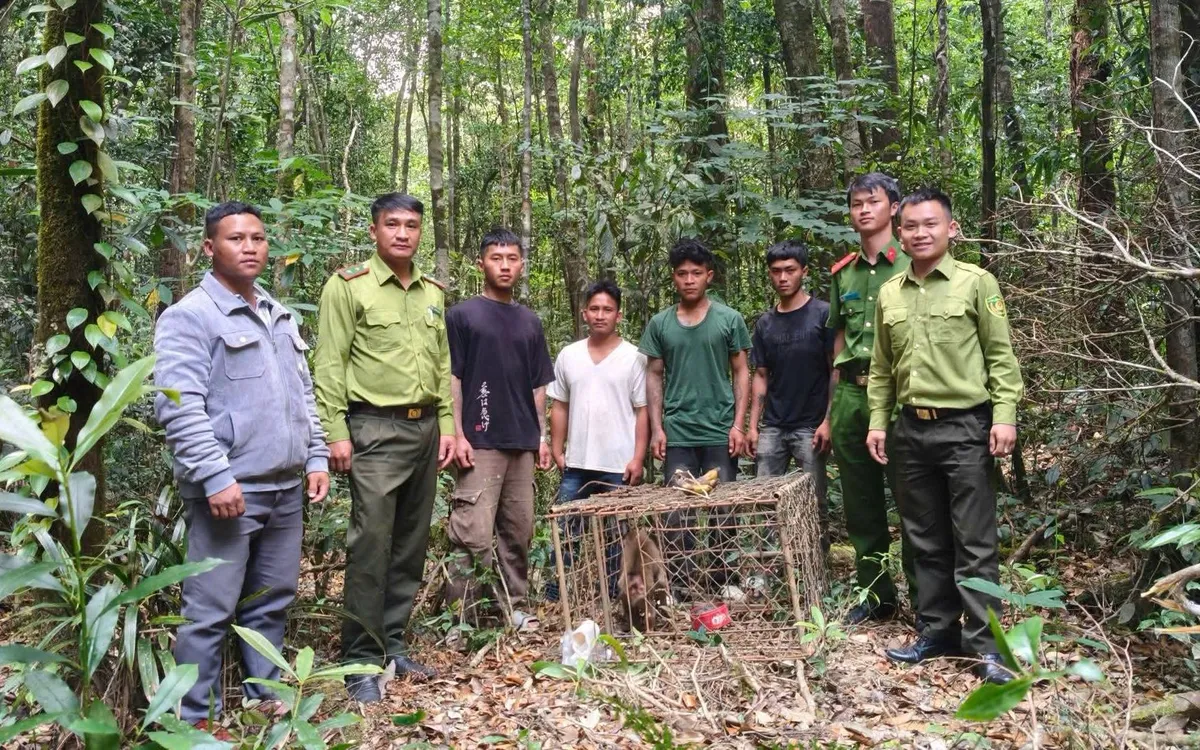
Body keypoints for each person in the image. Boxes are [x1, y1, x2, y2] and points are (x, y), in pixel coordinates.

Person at [155, 202, 330, 731]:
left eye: (257, 237)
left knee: (271, 602)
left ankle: (265, 702)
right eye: (235, 238)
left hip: (284, 488)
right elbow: (177, 404)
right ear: (209, 248)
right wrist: (215, 475)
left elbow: (303, 393)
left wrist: (316, 455)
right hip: (230, 490)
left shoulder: (278, 314)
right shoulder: (190, 316)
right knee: (208, 611)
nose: (249, 246)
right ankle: (192, 720)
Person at [866, 187, 1023, 685]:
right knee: (924, 540)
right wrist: (877, 421)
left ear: (950, 229)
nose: (920, 233)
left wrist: (1005, 415)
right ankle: (936, 632)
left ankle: (987, 648)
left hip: (966, 427)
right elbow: (881, 368)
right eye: (910, 226)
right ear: (900, 231)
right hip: (911, 429)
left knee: (974, 541)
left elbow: (1001, 357)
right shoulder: (890, 292)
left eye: (930, 224)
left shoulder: (977, 283)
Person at [312, 193, 456, 703]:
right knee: (371, 545)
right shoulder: (347, 287)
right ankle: (360, 660)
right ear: (374, 231)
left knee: (409, 543)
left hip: (423, 432)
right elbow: (330, 363)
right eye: (392, 224)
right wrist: (335, 432)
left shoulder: (433, 292)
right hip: (373, 429)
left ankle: (392, 643)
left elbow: (441, 366)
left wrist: (447, 426)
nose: (402, 233)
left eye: (412, 225)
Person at [444, 228, 555, 635]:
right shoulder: (462, 315)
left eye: (511, 258)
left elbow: (538, 385)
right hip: (479, 441)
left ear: (521, 265)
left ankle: (516, 608)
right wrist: (457, 433)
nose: (504, 265)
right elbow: (453, 378)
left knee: (518, 530)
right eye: (496, 258)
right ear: (481, 264)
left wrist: (540, 438)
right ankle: (462, 619)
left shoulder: (529, 321)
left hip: (521, 443)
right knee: (472, 533)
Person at [826, 172, 919, 625]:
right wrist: (832, 411)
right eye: (856, 204)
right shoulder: (844, 273)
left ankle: (926, 600)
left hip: (902, 397)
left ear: (894, 207)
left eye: (873, 202)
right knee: (861, 506)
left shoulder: (911, 262)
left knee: (913, 501)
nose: (863, 210)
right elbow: (839, 341)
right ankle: (876, 597)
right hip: (851, 394)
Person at [640, 238, 751, 600]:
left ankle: (725, 578)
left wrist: (738, 424)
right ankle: (679, 583)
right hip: (678, 433)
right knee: (676, 512)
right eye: (682, 273)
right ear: (674, 277)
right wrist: (658, 429)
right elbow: (654, 375)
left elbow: (742, 372)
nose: (689, 280)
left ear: (709, 276)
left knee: (724, 508)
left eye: (697, 273)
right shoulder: (660, 323)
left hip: (720, 430)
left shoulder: (728, 319)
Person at [546, 279, 649, 601]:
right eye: (594, 309)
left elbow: (643, 411)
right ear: (584, 313)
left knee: (615, 537)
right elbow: (559, 404)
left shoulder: (634, 357)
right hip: (577, 463)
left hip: (618, 465)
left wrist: (637, 458)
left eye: (608, 309)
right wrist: (556, 447)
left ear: (619, 315)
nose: (600, 315)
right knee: (564, 533)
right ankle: (555, 597)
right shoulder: (569, 355)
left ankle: (612, 597)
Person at [746, 240, 832, 539]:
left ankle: (814, 576)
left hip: (811, 426)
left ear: (803, 272)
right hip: (773, 425)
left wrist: (828, 420)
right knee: (764, 503)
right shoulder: (765, 324)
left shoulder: (823, 315)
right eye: (776, 271)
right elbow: (760, 374)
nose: (783, 277)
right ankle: (766, 576)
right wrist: (753, 426)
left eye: (790, 270)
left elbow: (836, 369)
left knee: (813, 502)